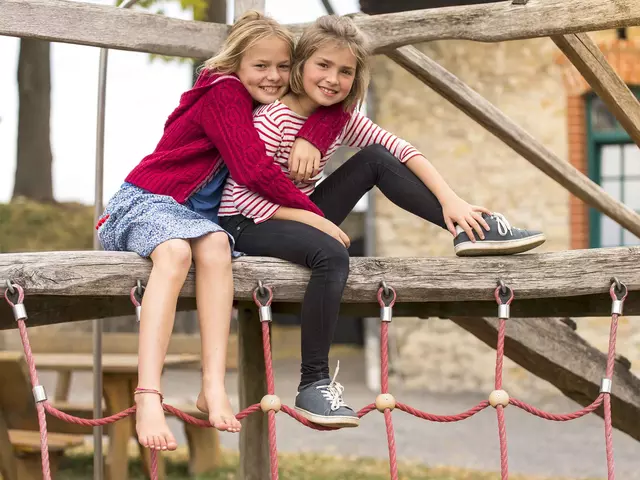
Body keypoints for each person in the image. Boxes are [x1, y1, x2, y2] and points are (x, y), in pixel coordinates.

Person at [218, 15, 545, 428]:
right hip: (247, 223)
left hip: (299, 213)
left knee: (375, 159)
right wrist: (315, 222)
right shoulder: (271, 121)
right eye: (323, 65)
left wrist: (453, 201)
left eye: (345, 71)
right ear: (300, 66)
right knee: (332, 254)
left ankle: (468, 228)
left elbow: (401, 149)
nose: (333, 79)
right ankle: (312, 384)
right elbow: (242, 198)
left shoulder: (337, 119)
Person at [96, 11, 350, 450]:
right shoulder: (225, 92)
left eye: (282, 67)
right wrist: (314, 215)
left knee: (215, 245)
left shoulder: (262, 98)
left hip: (196, 222)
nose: (273, 77)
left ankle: (212, 385)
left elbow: (332, 109)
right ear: (236, 64)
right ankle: (148, 394)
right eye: (261, 66)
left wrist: (313, 133)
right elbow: (252, 169)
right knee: (175, 253)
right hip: (145, 201)